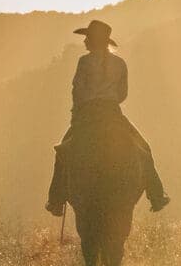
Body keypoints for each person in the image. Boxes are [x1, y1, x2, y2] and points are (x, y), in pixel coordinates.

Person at [47, 19, 170, 216]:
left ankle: (56, 200)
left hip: (86, 115)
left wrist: (77, 115)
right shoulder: (120, 63)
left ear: (93, 40)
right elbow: (123, 94)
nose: (85, 41)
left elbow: (77, 90)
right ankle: (156, 195)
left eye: (87, 37)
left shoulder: (84, 61)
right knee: (144, 149)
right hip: (112, 113)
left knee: (62, 152)